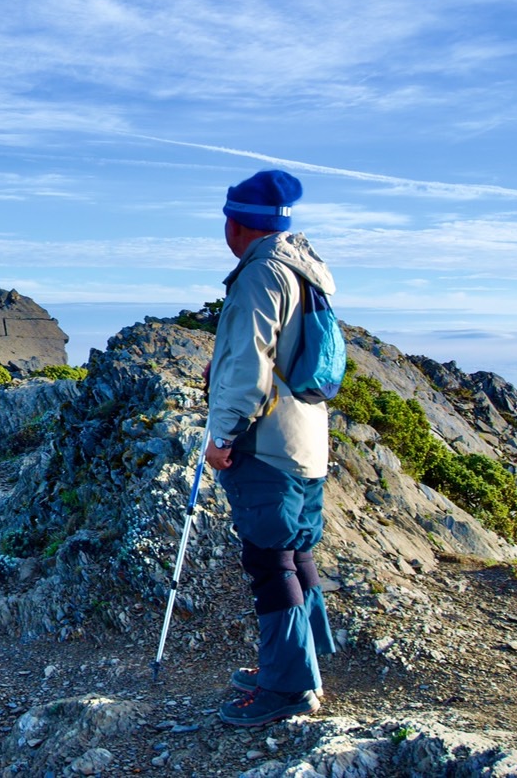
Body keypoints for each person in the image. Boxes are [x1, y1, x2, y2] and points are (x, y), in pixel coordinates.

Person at [203, 169, 338, 726]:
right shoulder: (307, 274)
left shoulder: (260, 276)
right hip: (307, 438)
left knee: (268, 560)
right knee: (294, 552)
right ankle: (302, 661)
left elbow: (246, 369)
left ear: (237, 224)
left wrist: (222, 436)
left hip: (268, 443)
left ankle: (288, 686)